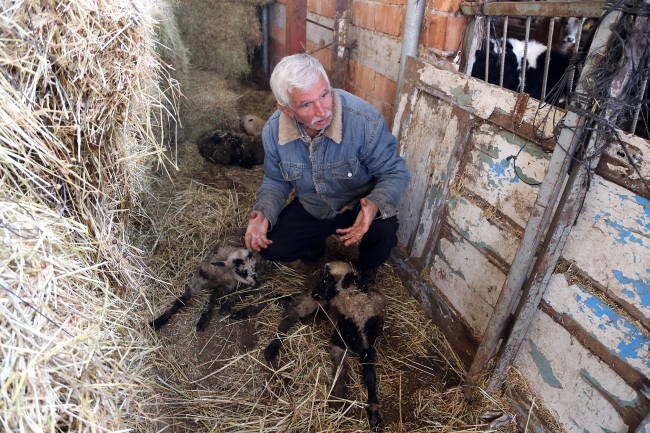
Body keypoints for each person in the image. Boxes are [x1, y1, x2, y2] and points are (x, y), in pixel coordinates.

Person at [244, 53, 410, 281]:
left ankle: (367, 270)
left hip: (359, 204)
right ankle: (315, 243)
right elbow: (276, 180)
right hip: (315, 206)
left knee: (383, 229)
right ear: (286, 110)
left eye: (324, 95)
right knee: (272, 247)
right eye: (306, 104)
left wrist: (374, 204)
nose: (322, 111)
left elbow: (395, 171)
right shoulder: (273, 132)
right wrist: (264, 213)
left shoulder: (364, 120)